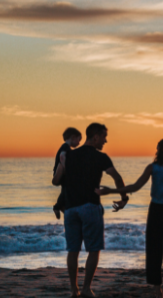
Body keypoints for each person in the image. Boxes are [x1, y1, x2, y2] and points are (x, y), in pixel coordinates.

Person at [96, 139, 163, 298]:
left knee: (154, 250)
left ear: (159, 151)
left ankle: (158, 291)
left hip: (156, 211)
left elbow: (135, 187)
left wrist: (111, 190)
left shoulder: (153, 168)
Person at [52, 123, 129, 298]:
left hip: (71, 209)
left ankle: (74, 290)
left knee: (73, 250)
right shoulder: (101, 157)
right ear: (95, 137)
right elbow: (117, 177)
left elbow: (56, 181)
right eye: (103, 137)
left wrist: (62, 166)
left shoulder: (68, 155)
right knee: (93, 249)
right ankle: (86, 288)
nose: (105, 140)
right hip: (90, 207)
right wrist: (124, 199)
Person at [53, 127, 82, 219]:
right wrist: (66, 168)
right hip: (62, 173)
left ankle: (61, 207)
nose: (79, 143)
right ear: (73, 137)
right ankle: (57, 206)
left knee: (65, 190)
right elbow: (62, 156)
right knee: (66, 189)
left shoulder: (66, 147)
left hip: (63, 174)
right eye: (79, 139)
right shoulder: (66, 147)